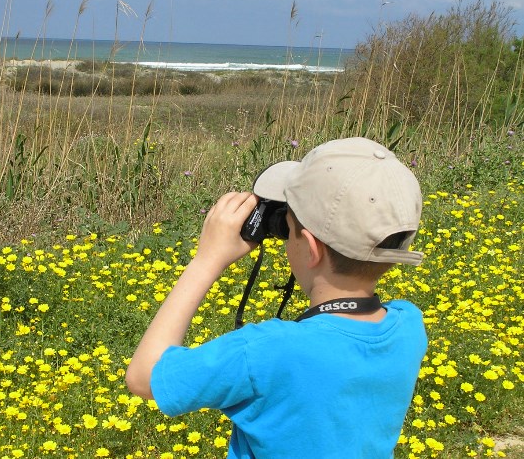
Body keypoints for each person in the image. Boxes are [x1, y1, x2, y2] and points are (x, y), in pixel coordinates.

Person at [125, 137, 428, 459]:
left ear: (311, 248)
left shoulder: (266, 350)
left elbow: (144, 378)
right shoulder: (408, 324)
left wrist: (206, 261)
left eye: (286, 225)